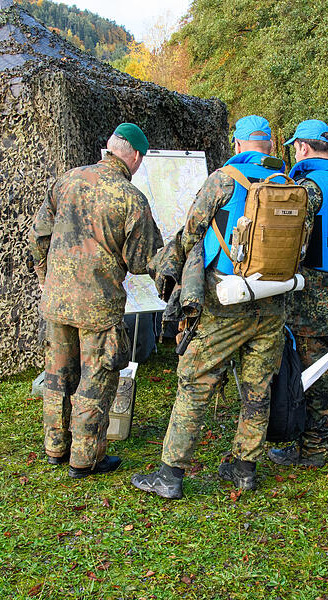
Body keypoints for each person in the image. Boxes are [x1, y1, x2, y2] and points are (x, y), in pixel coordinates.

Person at [132, 115, 300, 498]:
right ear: (270, 145)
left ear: (237, 144)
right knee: (257, 388)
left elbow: (191, 232)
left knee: (195, 383)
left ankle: (170, 475)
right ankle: (244, 469)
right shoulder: (288, 183)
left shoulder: (223, 180)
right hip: (272, 300)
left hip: (225, 299)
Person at [30, 123, 163, 479]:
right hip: (98, 308)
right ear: (134, 156)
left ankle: (55, 447)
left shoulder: (67, 179)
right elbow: (142, 260)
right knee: (95, 378)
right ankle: (85, 458)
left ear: (109, 148)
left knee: (57, 375)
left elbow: (39, 235)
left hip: (57, 300)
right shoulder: (130, 197)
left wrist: (46, 280)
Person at [267, 119, 328, 467]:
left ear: (303, 149)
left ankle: (311, 450)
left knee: (311, 377)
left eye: (295, 146)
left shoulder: (309, 189)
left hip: (314, 302)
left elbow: (294, 243)